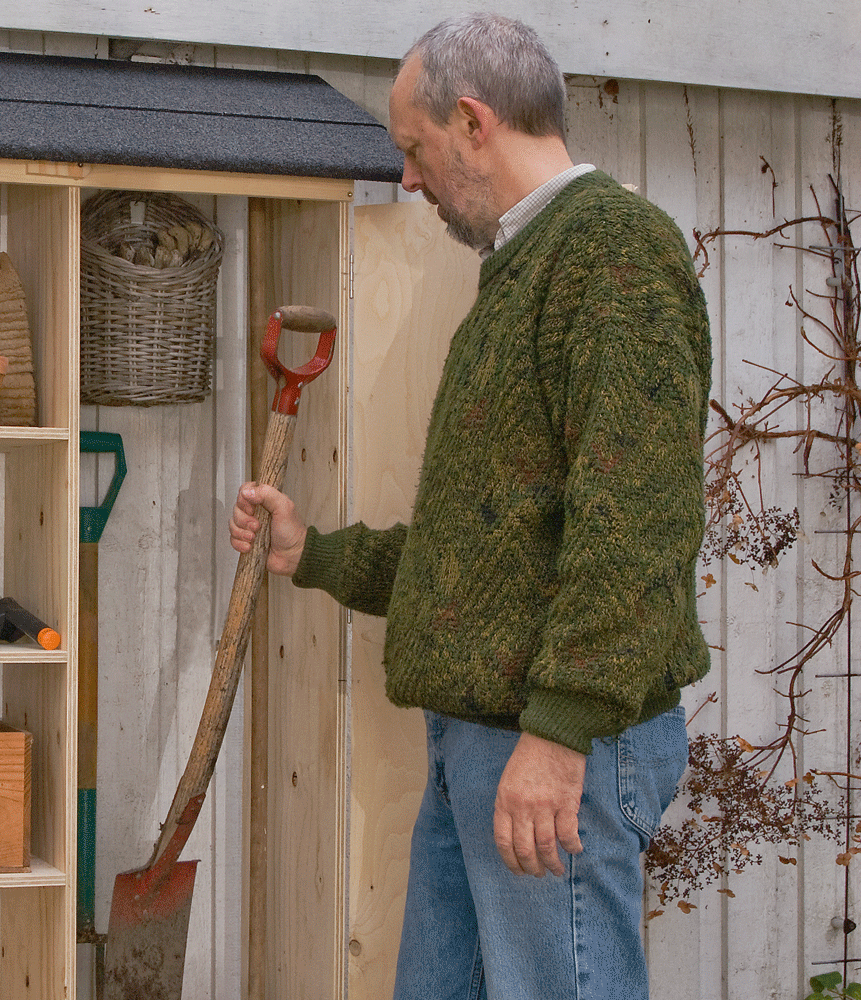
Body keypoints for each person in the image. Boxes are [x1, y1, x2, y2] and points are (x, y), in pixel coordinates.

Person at [229, 13, 711, 1000]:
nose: (409, 180)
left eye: (414, 149)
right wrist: (311, 551)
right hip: (485, 739)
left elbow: (637, 520)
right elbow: (484, 549)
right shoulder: (527, 264)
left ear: (475, 121)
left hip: (555, 741)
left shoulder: (613, 253)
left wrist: (561, 731)